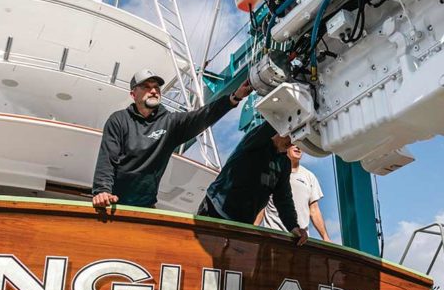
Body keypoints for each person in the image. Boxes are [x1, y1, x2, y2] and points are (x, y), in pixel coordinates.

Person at [92, 70, 253, 211]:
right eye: (146, 87)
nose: (154, 90)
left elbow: (203, 115)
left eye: (156, 87)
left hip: (146, 207)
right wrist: (101, 191)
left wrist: (235, 97)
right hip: (113, 203)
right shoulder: (119, 120)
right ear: (133, 94)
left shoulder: (171, 123)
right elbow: (107, 159)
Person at [196, 120, 308, 245]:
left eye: (295, 138)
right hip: (215, 210)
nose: (292, 141)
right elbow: (272, 121)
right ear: (280, 129)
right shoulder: (256, 140)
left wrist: (293, 226)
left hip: (242, 224)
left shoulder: (284, 163)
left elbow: (283, 197)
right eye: (291, 135)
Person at [255, 142, 330, 241]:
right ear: (286, 146)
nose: (298, 147)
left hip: (300, 239)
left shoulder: (309, 176)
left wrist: (325, 237)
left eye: (301, 144)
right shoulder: (273, 171)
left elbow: (314, 210)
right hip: (274, 236)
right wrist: (254, 228)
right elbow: (263, 204)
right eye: (294, 143)